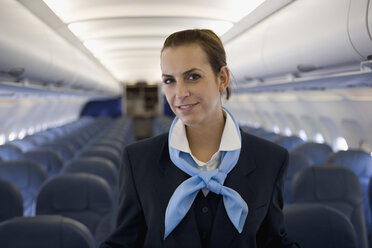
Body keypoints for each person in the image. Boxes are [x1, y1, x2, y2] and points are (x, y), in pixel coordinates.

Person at [100, 29, 299, 248]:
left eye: (192, 77)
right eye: (169, 80)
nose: (180, 93)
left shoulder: (270, 159)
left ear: (222, 78)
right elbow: (124, 243)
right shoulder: (138, 160)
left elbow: (273, 241)